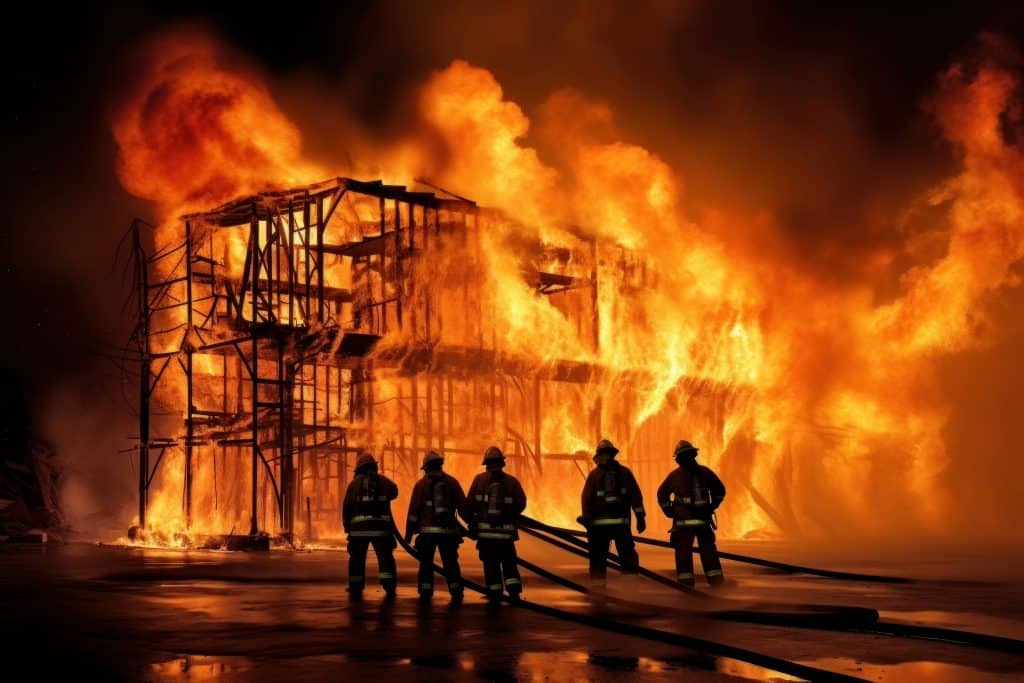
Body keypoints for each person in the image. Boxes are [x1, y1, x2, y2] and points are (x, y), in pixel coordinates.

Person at [656, 440, 726, 586]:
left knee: (683, 554)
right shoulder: (705, 472)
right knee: (709, 553)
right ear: (693, 455)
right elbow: (720, 491)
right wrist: (712, 505)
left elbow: (662, 494)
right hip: (703, 522)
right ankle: (716, 582)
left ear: (678, 458)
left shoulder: (674, 476)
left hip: (683, 524)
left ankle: (685, 584)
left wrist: (669, 511)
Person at [465, 446, 527, 602]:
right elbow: (521, 503)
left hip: (486, 536)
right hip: (506, 536)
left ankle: (495, 593)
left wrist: (472, 524)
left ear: (486, 463)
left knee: (490, 565)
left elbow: (469, 505)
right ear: (502, 463)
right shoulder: (512, 482)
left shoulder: (479, 480)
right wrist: (510, 515)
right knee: (509, 564)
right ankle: (514, 593)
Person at [404, 450, 469, 602]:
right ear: (440, 465)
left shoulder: (421, 485)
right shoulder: (452, 482)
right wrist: (473, 527)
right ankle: (456, 591)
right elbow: (463, 508)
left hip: (427, 534)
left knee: (426, 564)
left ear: (426, 467)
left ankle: (426, 592)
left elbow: (413, 512)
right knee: (451, 564)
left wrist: (408, 535)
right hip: (448, 532)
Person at [578, 439, 646, 583]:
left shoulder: (594, 475)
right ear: (613, 454)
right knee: (627, 556)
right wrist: (640, 518)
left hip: (598, 528)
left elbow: (586, 499)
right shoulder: (625, 473)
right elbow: (636, 497)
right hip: (621, 525)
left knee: (598, 558)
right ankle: (631, 588)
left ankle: (598, 590)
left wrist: (587, 520)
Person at [342, 451, 399, 598]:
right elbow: (395, 492)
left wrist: (347, 527)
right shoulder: (384, 481)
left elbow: (346, 507)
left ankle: (356, 586)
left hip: (358, 530)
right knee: (385, 558)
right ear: (374, 466)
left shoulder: (353, 485)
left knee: (356, 559)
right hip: (381, 529)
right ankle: (389, 586)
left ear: (359, 469)